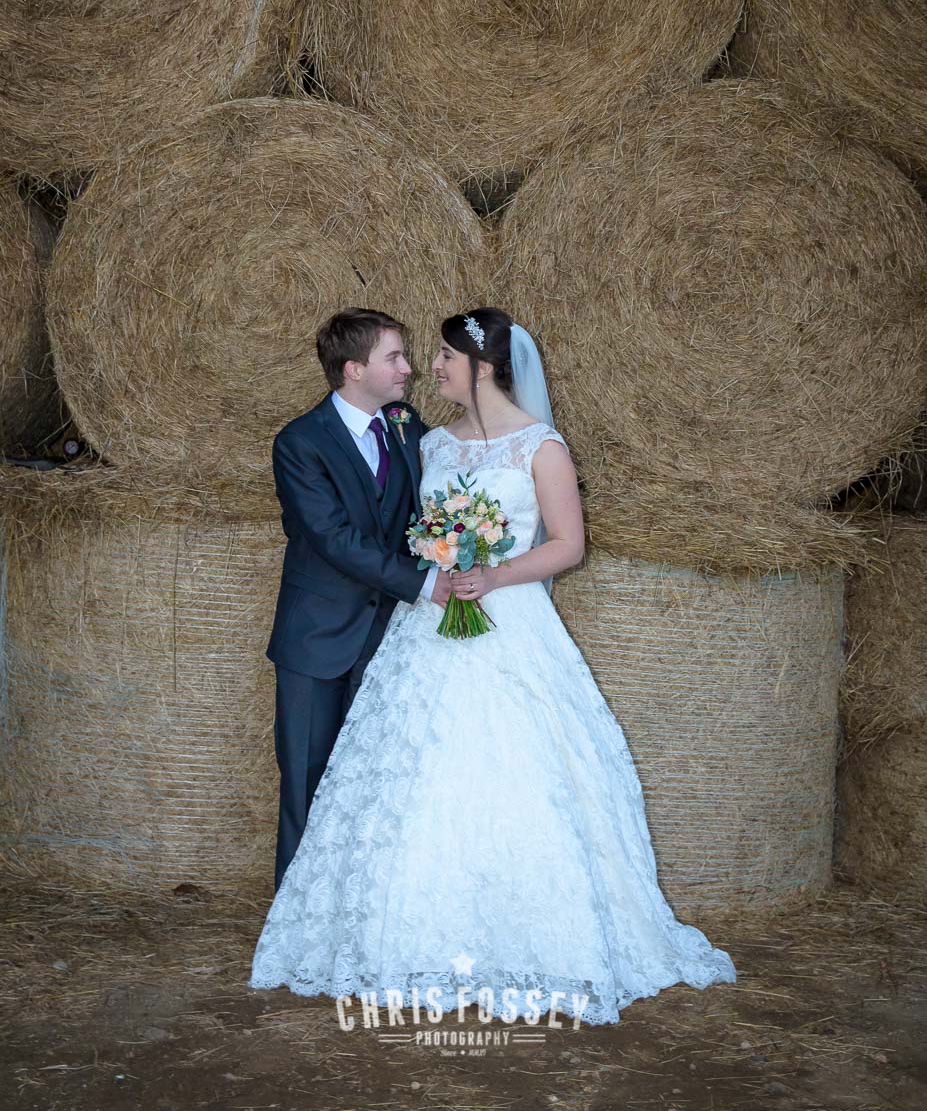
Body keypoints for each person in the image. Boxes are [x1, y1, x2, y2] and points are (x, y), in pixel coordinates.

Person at [250, 307, 736, 1024]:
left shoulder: (538, 447)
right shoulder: (430, 441)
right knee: (392, 776)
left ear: (481, 367)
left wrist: (491, 577)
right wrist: (437, 574)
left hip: (505, 622)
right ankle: (353, 927)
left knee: (509, 770)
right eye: (408, 357)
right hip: (422, 624)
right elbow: (374, 531)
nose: (425, 368)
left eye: (441, 356)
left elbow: (566, 545)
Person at [265, 307, 452, 892]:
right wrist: (425, 585)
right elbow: (331, 538)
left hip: (390, 638)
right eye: (394, 358)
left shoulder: (405, 425)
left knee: (371, 784)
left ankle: (355, 913)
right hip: (317, 640)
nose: (409, 368)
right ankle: (294, 922)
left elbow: (421, 515)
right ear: (353, 369)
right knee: (306, 779)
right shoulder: (299, 442)